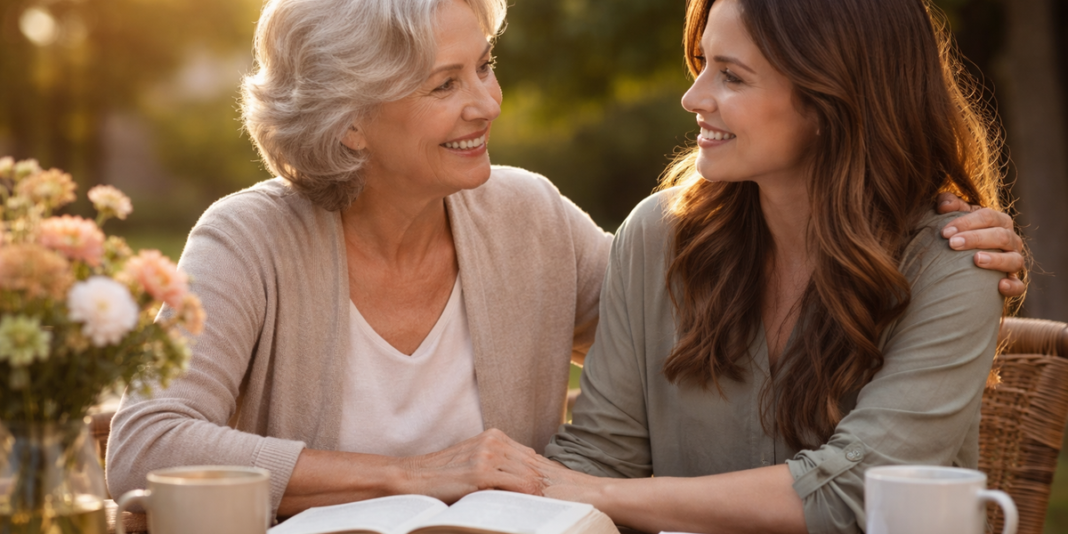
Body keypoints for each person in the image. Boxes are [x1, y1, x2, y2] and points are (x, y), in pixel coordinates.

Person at [106, 0, 1024, 522]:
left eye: (486, 66)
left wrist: (968, 275)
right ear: (350, 124)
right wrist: (413, 477)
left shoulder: (531, 221)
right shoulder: (250, 238)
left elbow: (630, 375)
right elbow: (146, 441)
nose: (489, 104)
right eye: (445, 85)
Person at [539, 0, 1019, 533]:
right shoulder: (658, 236)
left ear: (831, 97)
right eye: (702, 64)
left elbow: (856, 494)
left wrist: (602, 493)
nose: (693, 97)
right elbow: (597, 460)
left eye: (731, 77)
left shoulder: (956, 261)